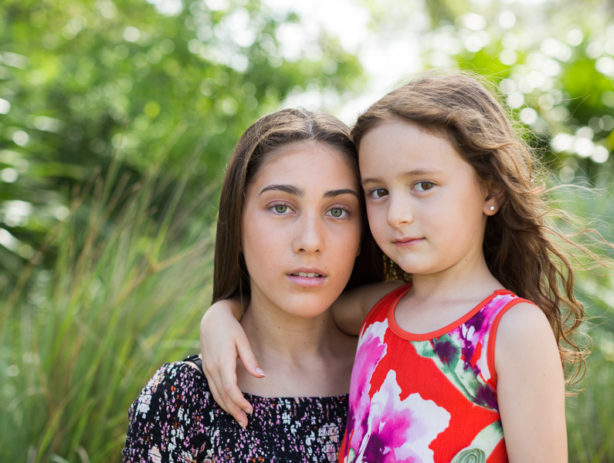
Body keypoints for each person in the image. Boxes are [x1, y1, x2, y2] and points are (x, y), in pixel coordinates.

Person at [200, 73, 588, 462]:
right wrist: (221, 316)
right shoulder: (383, 311)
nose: (398, 215)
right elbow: (300, 310)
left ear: (491, 190)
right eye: (379, 192)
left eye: (423, 185)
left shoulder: (513, 330)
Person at [122, 108, 389, 462]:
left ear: (362, 235)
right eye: (281, 207)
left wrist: (222, 311)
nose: (310, 241)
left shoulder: (401, 368)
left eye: (337, 211)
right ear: (238, 222)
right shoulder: (181, 396)